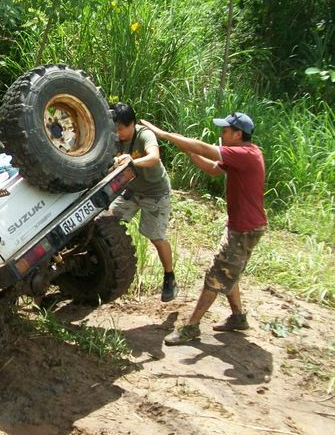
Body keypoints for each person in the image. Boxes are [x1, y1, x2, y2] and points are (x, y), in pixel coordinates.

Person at [140, 112, 267, 345]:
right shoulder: (243, 153)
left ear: (238, 134)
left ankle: (191, 327)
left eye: (226, 131)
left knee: (215, 277)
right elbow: (212, 169)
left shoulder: (244, 154)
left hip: (244, 229)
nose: (222, 134)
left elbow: (204, 148)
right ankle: (238, 317)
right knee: (227, 269)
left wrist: (164, 135)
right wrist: (188, 151)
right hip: (241, 227)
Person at [109, 103, 178, 301]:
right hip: (131, 191)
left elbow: (154, 157)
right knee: (106, 219)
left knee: (156, 237)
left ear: (132, 124)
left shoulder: (144, 135)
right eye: (115, 129)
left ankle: (169, 277)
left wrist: (131, 162)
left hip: (155, 193)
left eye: (121, 129)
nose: (118, 133)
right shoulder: (113, 138)